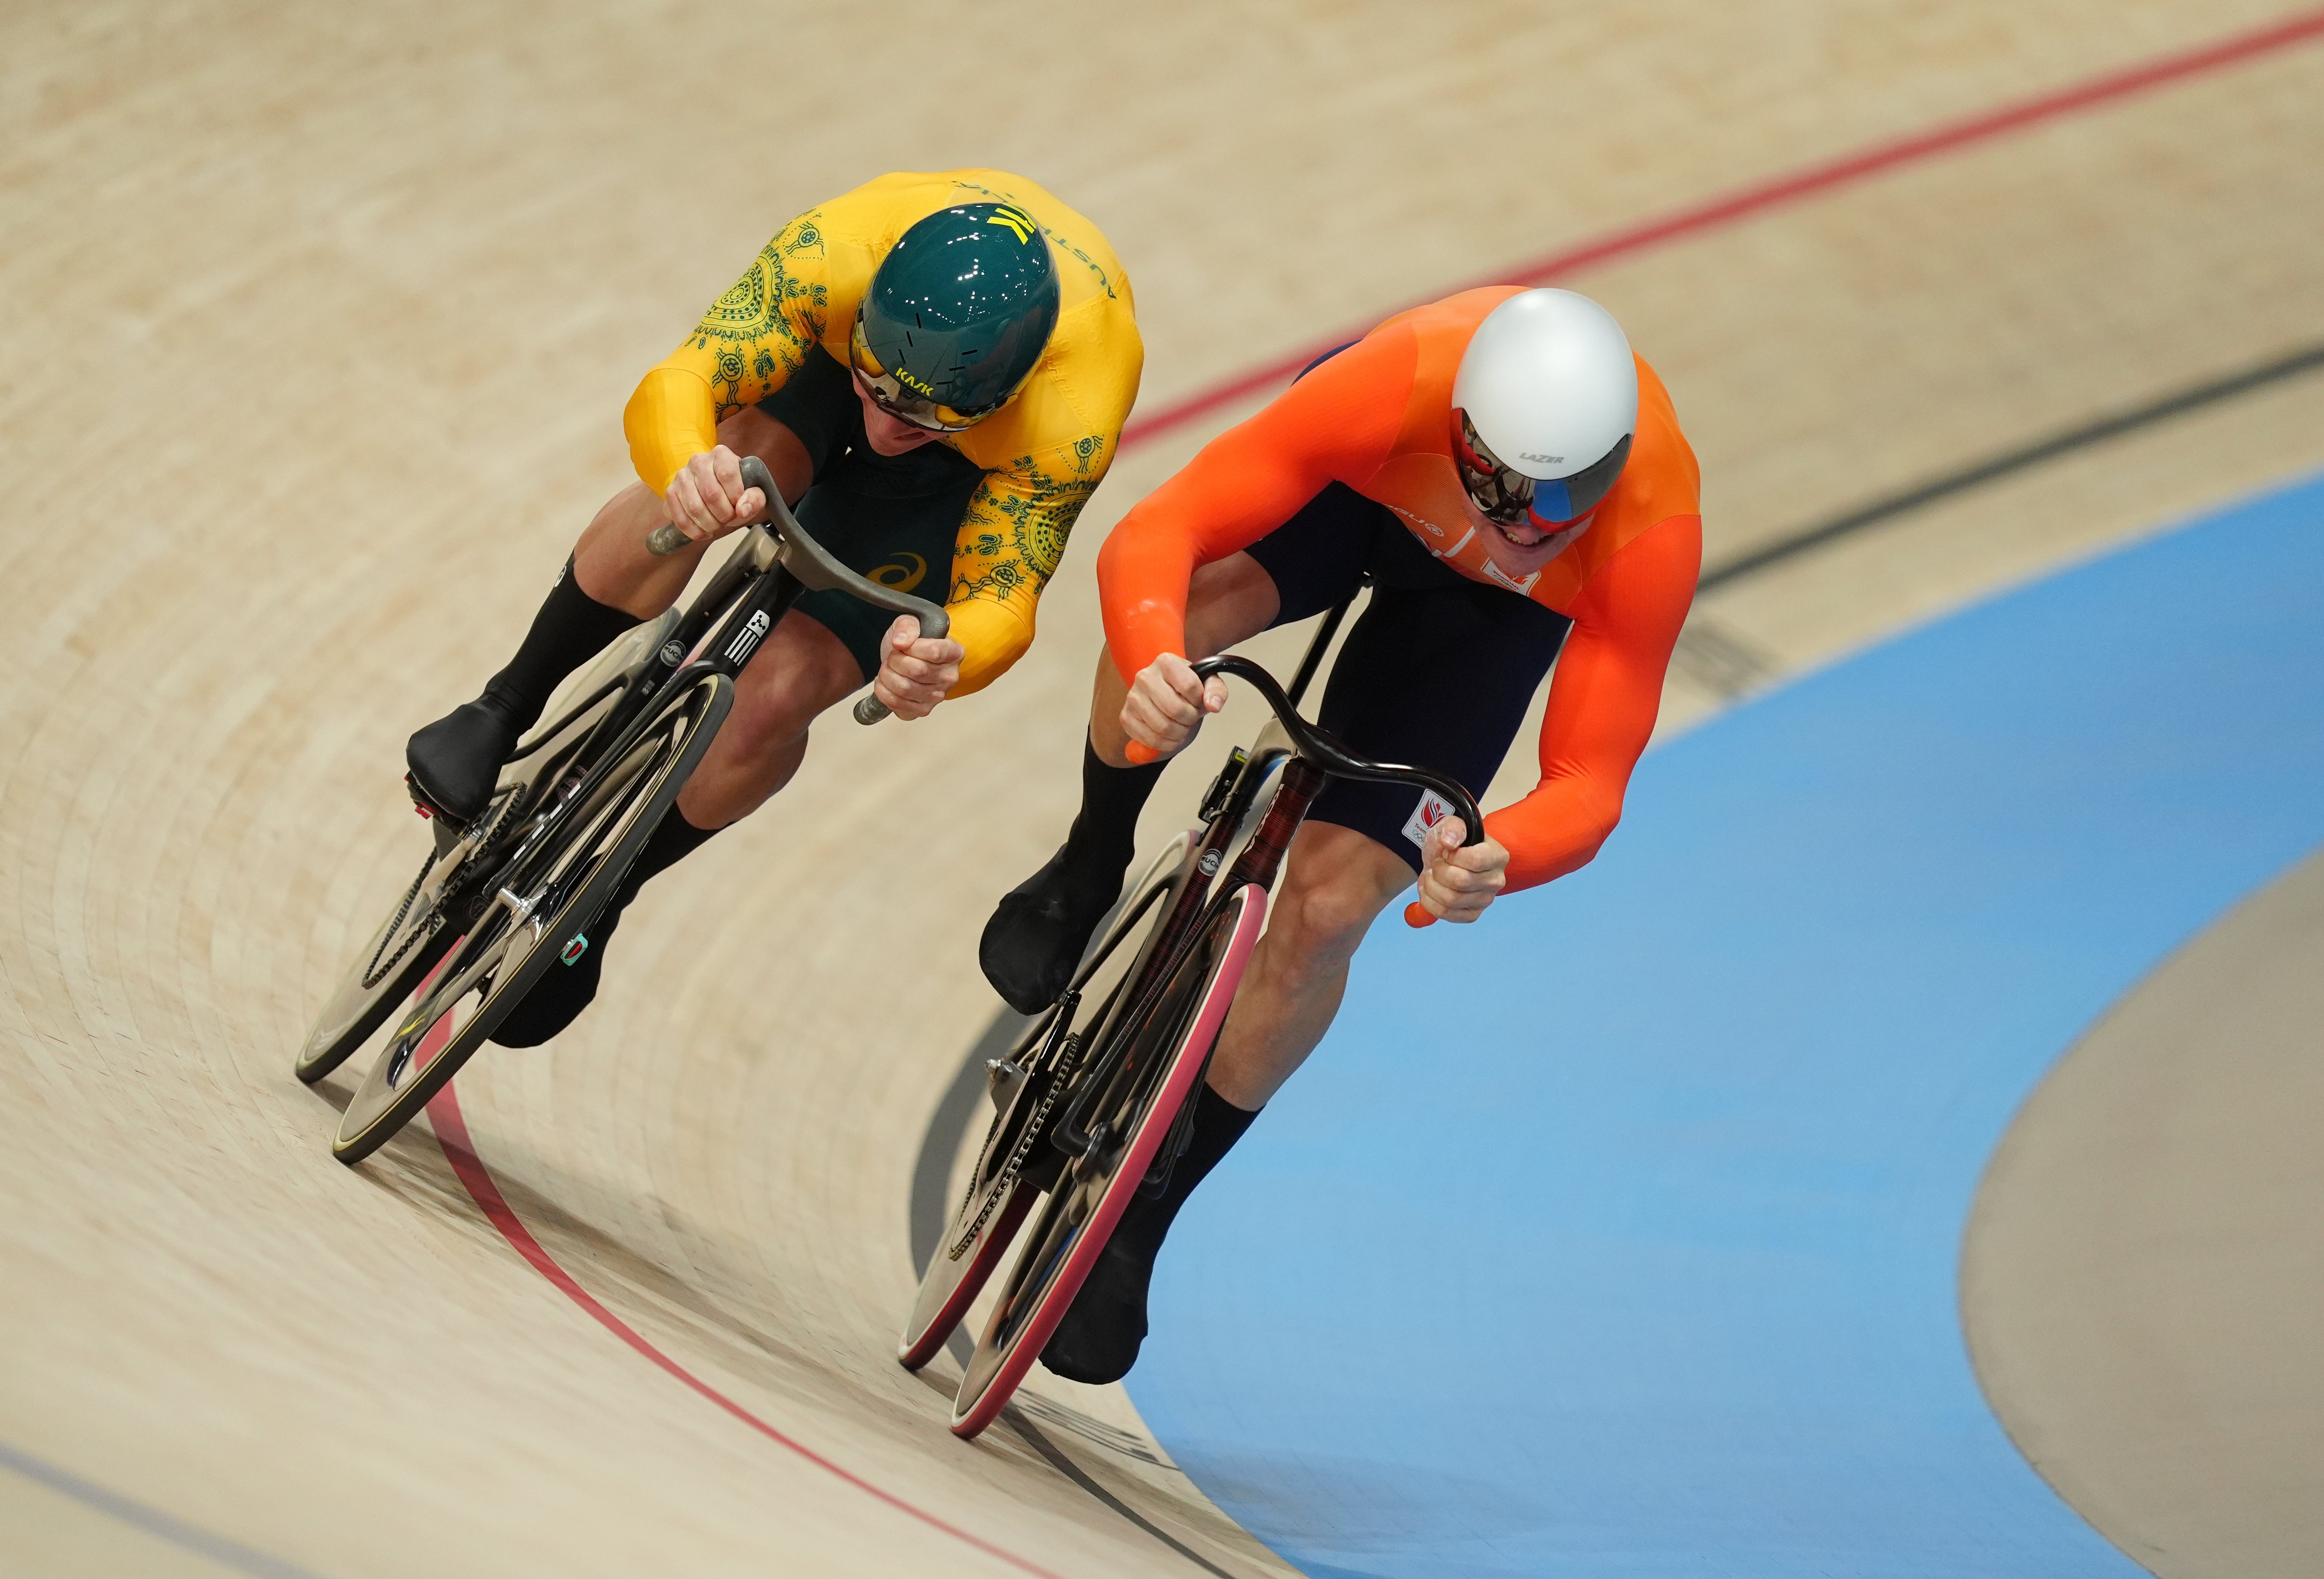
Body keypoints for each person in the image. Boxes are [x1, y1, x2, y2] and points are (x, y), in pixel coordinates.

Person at [981, 287, 1700, 1383]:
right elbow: (1158, 534)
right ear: (1466, 431)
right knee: (1203, 611)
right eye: (1508, 487)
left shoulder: (1649, 521)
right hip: (1365, 496)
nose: (1526, 521)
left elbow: (1589, 781)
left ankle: (1144, 1223)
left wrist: (1498, 854)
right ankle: (1091, 857)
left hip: (1495, 620)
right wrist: (1156, 659)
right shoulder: (1393, 382)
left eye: (1563, 505)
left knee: (1324, 913)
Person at [405, 170, 1141, 1045]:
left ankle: (605, 895)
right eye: (879, 388)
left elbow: (1002, 599)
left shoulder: (1075, 406)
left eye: (924, 415)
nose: (887, 424)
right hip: (819, 378)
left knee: (784, 691)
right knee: (709, 482)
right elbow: (678, 383)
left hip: (958, 482)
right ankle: (505, 704)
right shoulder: (832, 255)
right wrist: (692, 464)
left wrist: (945, 659)